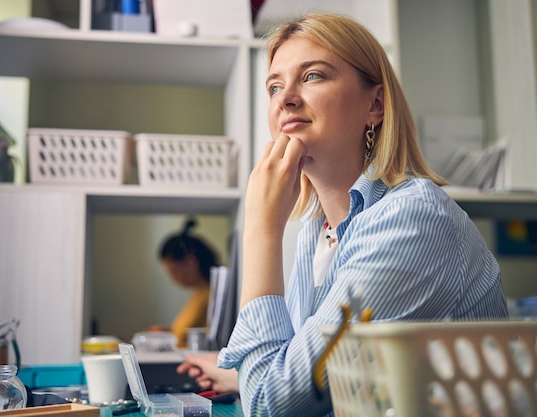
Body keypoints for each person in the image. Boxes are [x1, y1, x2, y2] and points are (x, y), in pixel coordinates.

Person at [177, 13, 508, 416]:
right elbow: (300, 370)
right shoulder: (317, 231)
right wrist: (238, 374)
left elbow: (273, 405)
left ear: (375, 104)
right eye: (274, 86)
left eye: (313, 76)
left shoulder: (412, 220)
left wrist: (260, 228)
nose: (285, 99)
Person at [149, 218, 220, 348]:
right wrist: (167, 333)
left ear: (191, 262)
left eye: (174, 272)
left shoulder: (213, 296)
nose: (173, 279)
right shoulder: (200, 293)